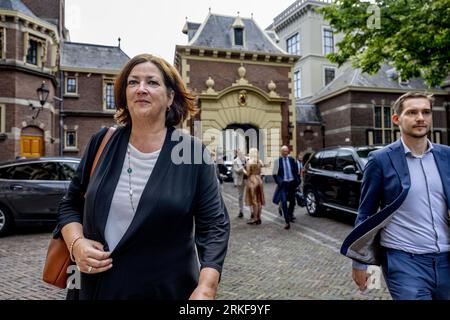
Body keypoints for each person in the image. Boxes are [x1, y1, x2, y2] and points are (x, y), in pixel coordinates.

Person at [55, 54, 230, 300]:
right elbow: (70, 203)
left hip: (165, 291)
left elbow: (214, 226)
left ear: (170, 97)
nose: (141, 89)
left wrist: (206, 287)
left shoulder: (192, 153)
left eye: (152, 82)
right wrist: (76, 244)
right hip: (96, 289)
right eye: (133, 82)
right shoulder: (102, 143)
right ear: (125, 95)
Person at [341, 92, 450, 300]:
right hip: (404, 261)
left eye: (426, 112)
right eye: (412, 112)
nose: (420, 117)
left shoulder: (447, 156)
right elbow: (366, 212)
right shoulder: (380, 160)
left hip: (447, 259)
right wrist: (359, 261)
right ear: (396, 119)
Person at [272, 146, 300, 230]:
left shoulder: (291, 160)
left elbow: (295, 171)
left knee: (292, 202)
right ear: (281, 152)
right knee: (284, 202)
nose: (285, 153)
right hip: (283, 185)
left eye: (286, 151)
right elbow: (274, 174)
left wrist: (297, 181)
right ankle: (287, 221)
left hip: (291, 184)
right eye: (284, 151)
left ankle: (290, 215)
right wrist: (280, 181)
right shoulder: (277, 161)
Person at [244, 148, 265, 225]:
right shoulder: (260, 161)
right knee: (259, 200)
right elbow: (262, 172)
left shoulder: (249, 162)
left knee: (254, 200)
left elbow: (248, 173)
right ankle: (259, 217)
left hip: (252, 180)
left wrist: (243, 170)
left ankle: (255, 218)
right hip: (259, 180)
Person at [232, 149, 247, 218]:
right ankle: (241, 211)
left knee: (249, 196)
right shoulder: (235, 161)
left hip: (247, 180)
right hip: (240, 181)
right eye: (240, 153)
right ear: (237, 154)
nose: (241, 154)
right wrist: (242, 168)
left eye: (242, 153)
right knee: (240, 196)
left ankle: (252, 211)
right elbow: (236, 170)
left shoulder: (247, 159)